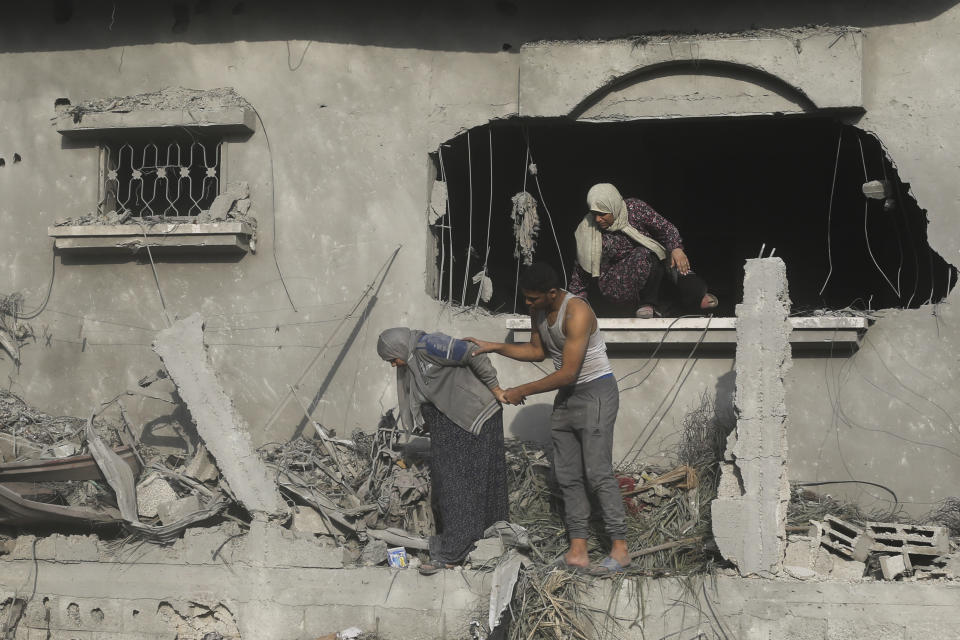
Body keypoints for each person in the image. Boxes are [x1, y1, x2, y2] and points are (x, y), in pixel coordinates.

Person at [465, 262, 630, 576]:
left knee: (597, 472)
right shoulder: (539, 311)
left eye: (532, 299)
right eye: (526, 299)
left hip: (595, 392)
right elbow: (537, 350)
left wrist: (520, 390)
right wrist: (496, 347)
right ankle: (578, 551)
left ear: (552, 293)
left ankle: (620, 550)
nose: (527, 304)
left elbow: (568, 373)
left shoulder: (577, 312)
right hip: (568, 397)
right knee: (567, 475)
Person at [376, 327, 509, 575]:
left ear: (398, 348)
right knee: (462, 482)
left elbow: (472, 351)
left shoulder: (429, 346)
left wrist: (496, 388)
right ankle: (485, 541)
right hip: (453, 425)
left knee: (458, 486)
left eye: (392, 358)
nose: (394, 365)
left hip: (472, 417)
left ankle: (455, 551)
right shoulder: (414, 359)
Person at [568, 183, 718, 318]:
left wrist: (676, 248)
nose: (598, 219)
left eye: (602, 214)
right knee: (646, 254)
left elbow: (666, 228)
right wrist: (577, 305)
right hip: (617, 283)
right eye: (595, 214)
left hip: (653, 265)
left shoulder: (634, 208)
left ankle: (694, 296)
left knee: (676, 269)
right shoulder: (588, 230)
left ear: (613, 206)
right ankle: (647, 304)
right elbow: (580, 272)